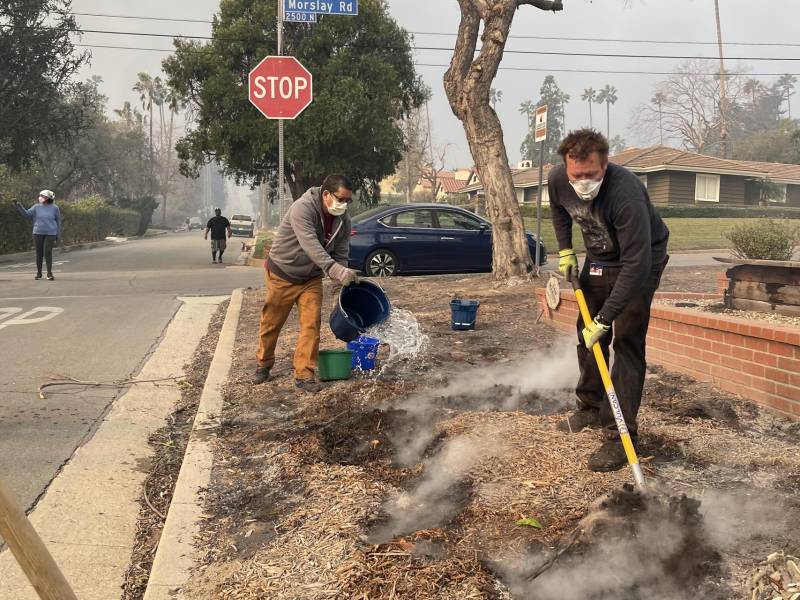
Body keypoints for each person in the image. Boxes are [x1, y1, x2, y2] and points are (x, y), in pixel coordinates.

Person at [548, 129, 670, 472]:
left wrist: (606, 318)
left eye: (592, 174)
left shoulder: (625, 193)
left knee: (627, 341)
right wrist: (567, 250)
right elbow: (559, 210)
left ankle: (622, 436)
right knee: (587, 336)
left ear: (605, 165)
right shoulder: (558, 178)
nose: (583, 182)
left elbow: (637, 264)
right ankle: (590, 407)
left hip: (642, 261)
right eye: (577, 175)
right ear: (566, 167)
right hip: (599, 258)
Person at [254, 174, 360, 393]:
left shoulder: (343, 220)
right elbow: (311, 246)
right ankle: (263, 364)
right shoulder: (302, 208)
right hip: (283, 273)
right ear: (326, 195)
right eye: (341, 199)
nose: (344, 205)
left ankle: (304, 375)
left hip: (311, 279)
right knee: (272, 323)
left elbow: (341, 253)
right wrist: (336, 270)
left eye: (348, 201)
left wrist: (339, 286)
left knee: (311, 325)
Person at [14, 190, 61, 281]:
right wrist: (18, 205)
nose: (40, 197)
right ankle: (39, 273)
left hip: (50, 233)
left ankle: (49, 274)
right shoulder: (36, 207)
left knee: (47, 252)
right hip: (37, 233)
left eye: (42, 196)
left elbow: (58, 221)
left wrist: (58, 234)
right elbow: (26, 214)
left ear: (48, 198)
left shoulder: (55, 208)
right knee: (39, 253)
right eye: (39, 195)